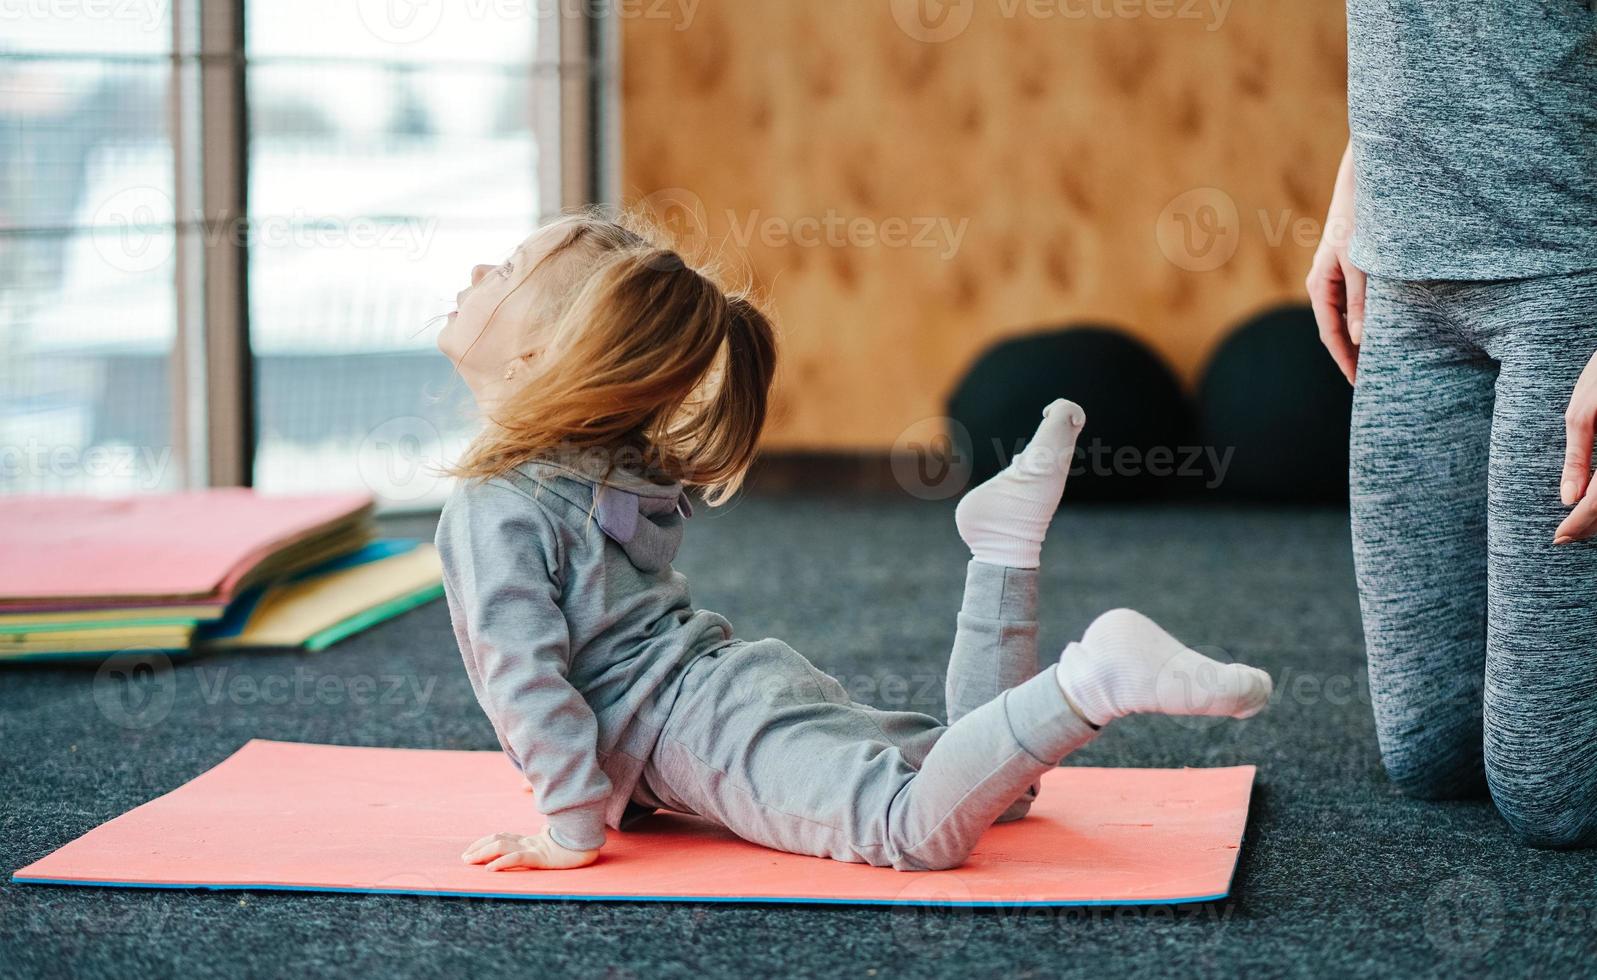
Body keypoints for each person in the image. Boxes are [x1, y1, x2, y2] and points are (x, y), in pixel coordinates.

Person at [433, 214, 1273, 872]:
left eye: (505, 271)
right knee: (989, 785)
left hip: (698, 732)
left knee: (913, 833)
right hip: (732, 683)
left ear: (539, 355)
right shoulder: (589, 464)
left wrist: (570, 824)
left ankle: (1095, 680)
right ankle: (1002, 554)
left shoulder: (496, 504)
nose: (478, 273)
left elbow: (523, 673)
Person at [1306, 4, 1597, 845]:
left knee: (1554, 791)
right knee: (1432, 758)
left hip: (1568, 284)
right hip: (1406, 284)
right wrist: (1354, 189)